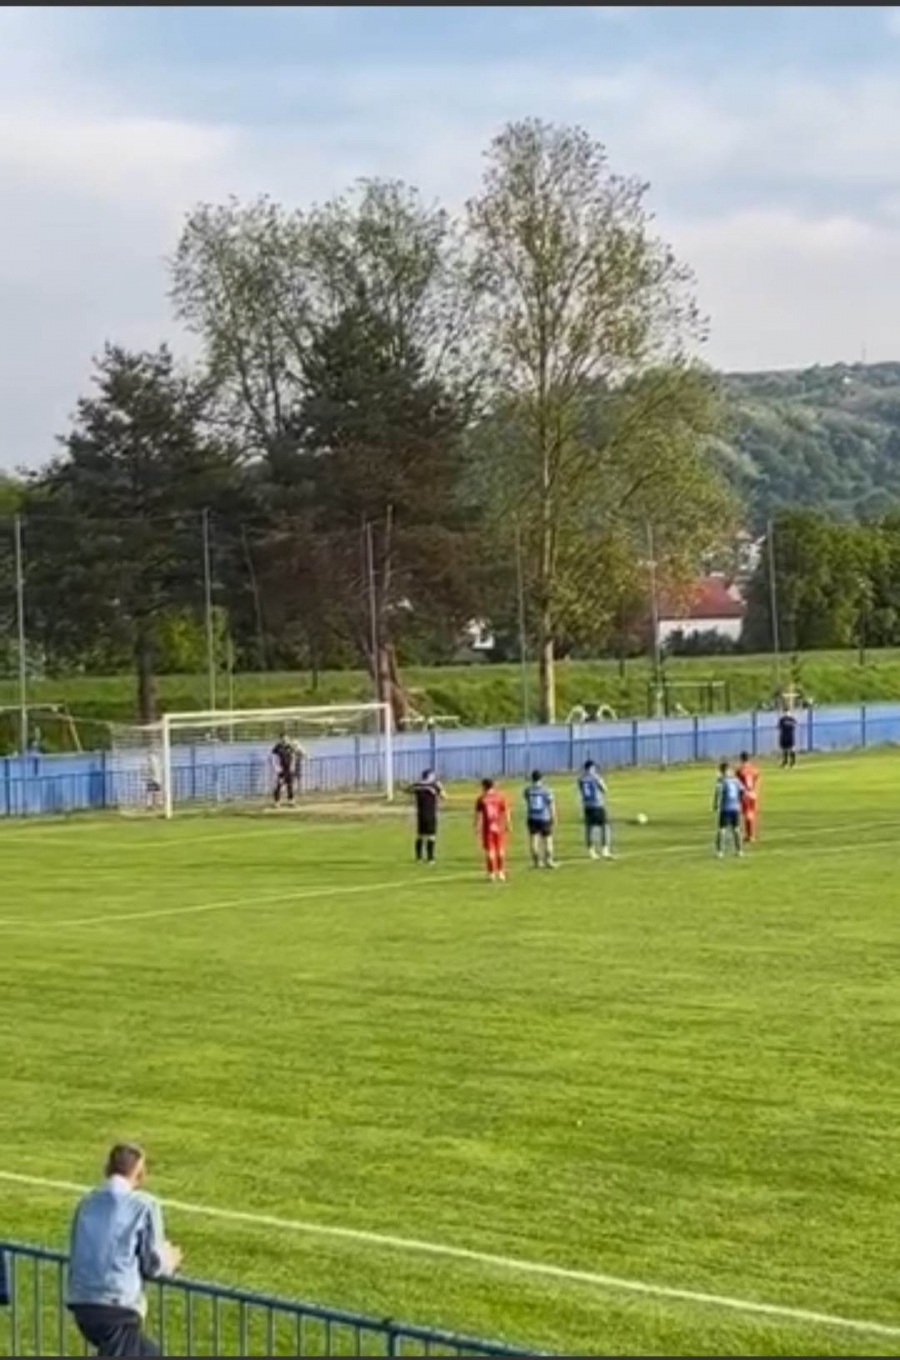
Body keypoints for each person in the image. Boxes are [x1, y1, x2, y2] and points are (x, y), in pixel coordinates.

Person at [67, 1143, 182, 1357]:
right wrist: (169, 1260)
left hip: (81, 1303)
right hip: (117, 1307)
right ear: (139, 1173)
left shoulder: (86, 1202)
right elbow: (151, 1265)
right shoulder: (144, 1206)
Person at [474, 777, 511, 882]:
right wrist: (508, 824)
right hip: (498, 827)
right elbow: (506, 811)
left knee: (490, 851)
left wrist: (476, 826)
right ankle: (501, 872)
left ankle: (491, 874)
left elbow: (477, 815)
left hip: (487, 828)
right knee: (500, 849)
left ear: (484, 786)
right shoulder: (500, 797)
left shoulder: (481, 799)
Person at [408, 768, 446, 864]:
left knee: (420, 835)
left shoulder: (417, 785)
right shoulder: (434, 786)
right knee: (431, 836)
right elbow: (444, 797)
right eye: (433, 775)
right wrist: (441, 787)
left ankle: (419, 858)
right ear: (429, 776)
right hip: (430, 814)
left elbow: (408, 789)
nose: (434, 777)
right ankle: (430, 858)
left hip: (420, 814)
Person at [577, 759, 612, 860]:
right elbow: (605, 789)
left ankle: (591, 851)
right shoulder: (596, 777)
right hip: (597, 805)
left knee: (589, 829)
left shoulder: (580, 779)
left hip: (587, 806)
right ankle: (605, 850)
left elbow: (582, 790)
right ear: (591, 768)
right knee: (605, 826)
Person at [523, 770, 558, 869]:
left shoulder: (527, 790)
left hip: (532, 817)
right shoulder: (546, 790)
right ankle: (549, 861)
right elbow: (551, 804)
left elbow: (526, 799)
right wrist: (554, 816)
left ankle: (537, 862)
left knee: (533, 840)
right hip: (544, 818)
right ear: (541, 778)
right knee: (548, 840)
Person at [713, 761, 743, 858]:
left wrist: (715, 804)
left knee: (722, 830)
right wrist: (739, 801)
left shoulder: (721, 781)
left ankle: (720, 852)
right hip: (735, 807)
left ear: (721, 770)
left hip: (725, 808)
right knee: (736, 829)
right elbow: (742, 790)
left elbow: (718, 793)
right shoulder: (735, 780)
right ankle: (739, 851)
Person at [735, 751, 760, 843]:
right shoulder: (754, 769)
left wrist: (738, 796)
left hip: (745, 794)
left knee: (747, 814)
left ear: (741, 758)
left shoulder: (739, 770)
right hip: (753, 793)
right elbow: (756, 778)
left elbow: (737, 784)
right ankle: (748, 835)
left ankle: (751, 836)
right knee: (751, 814)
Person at [271, 733, 297, 805]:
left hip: (289, 769)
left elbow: (293, 757)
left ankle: (291, 800)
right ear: (280, 739)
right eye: (283, 739)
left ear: (288, 739)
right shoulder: (277, 748)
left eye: (286, 739)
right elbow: (273, 759)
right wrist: (277, 769)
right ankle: (277, 801)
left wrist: (292, 767)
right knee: (279, 785)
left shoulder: (290, 747)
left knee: (290, 785)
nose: (285, 740)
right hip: (281, 770)